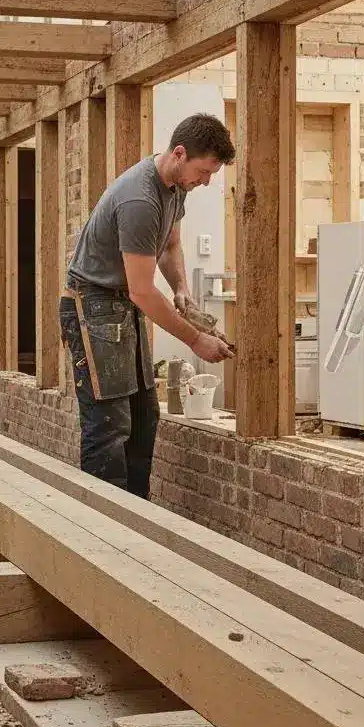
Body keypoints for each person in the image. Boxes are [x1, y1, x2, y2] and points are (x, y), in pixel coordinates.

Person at [59, 113, 237, 499]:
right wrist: (196, 340)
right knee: (109, 428)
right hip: (93, 307)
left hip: (122, 306)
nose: (206, 182)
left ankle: (137, 520)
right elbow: (142, 291)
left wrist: (181, 289)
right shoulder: (139, 199)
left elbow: (170, 245)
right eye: (204, 172)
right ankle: (102, 525)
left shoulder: (177, 187)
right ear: (179, 153)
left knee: (143, 420)